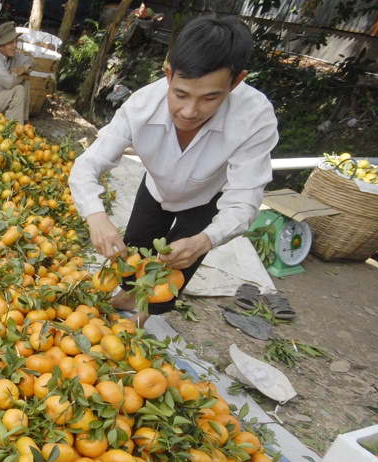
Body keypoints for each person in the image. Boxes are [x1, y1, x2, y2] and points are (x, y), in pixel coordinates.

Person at [68, 14, 278, 323]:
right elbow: (87, 164)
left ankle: (146, 312)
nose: (190, 111)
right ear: (168, 74)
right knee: (136, 245)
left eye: (210, 98)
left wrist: (204, 241)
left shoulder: (254, 118)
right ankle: (128, 296)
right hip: (156, 186)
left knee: (176, 264)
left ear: (236, 82)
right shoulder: (141, 107)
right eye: (180, 94)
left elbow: (244, 199)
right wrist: (96, 216)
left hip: (208, 196)